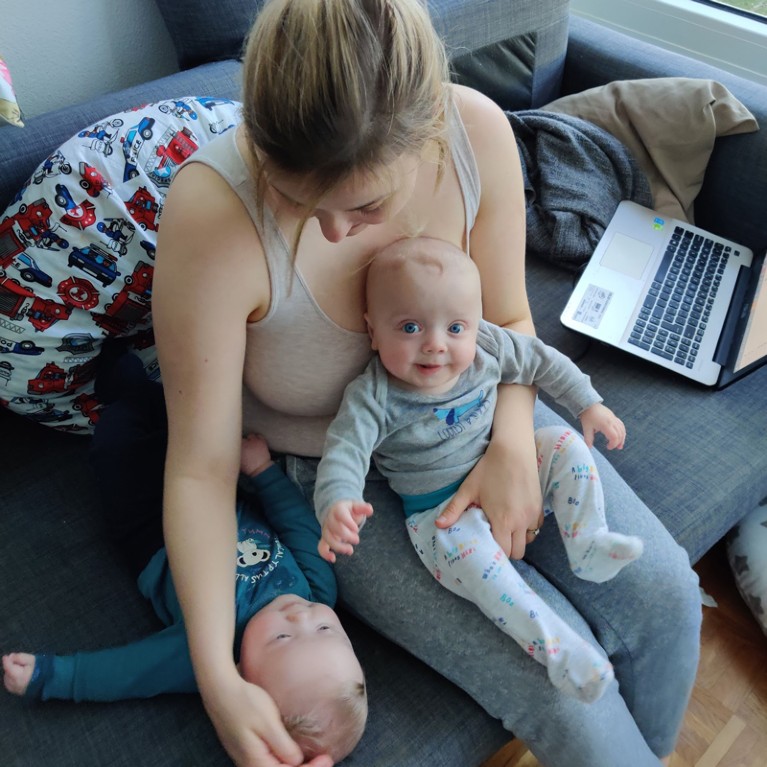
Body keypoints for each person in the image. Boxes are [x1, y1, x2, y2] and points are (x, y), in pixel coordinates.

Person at [150, 0, 702, 765]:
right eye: (297, 197)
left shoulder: (474, 133)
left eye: (367, 205)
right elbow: (200, 467)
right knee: (563, 699)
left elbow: (508, 317)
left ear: (428, 136)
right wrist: (219, 679)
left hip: (479, 404)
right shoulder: (210, 215)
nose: (335, 230)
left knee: (668, 597)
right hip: (351, 478)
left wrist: (511, 445)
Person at [314, 236, 644, 703]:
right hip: (442, 516)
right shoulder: (373, 396)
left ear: (476, 323)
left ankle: (587, 540)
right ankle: (561, 652)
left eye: (455, 327)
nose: (435, 346)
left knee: (565, 445)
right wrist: (337, 501)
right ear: (372, 331)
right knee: (493, 580)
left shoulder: (489, 344)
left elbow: (542, 361)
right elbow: (344, 451)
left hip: (505, 465)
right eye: (409, 327)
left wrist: (588, 403)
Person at [2, 407, 367, 766]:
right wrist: (263, 471)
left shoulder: (210, 652)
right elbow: (298, 525)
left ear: (243, 676)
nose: (299, 616)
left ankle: (118, 390)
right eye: (325, 629)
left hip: (151, 530)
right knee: (176, 416)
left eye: (282, 639)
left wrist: (49, 677)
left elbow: (129, 672)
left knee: (118, 436)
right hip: (221, 496)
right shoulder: (318, 591)